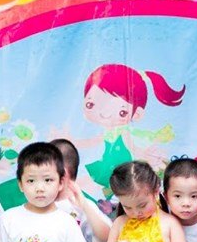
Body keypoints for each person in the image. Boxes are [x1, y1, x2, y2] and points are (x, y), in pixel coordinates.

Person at [79, 64, 185, 195]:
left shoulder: (123, 132)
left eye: (122, 112)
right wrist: (73, 142)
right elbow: (92, 141)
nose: (104, 114)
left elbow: (131, 147)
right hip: (108, 164)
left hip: (118, 166)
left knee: (106, 186)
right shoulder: (108, 132)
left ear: (137, 114)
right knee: (89, 184)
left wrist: (144, 155)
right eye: (90, 104)